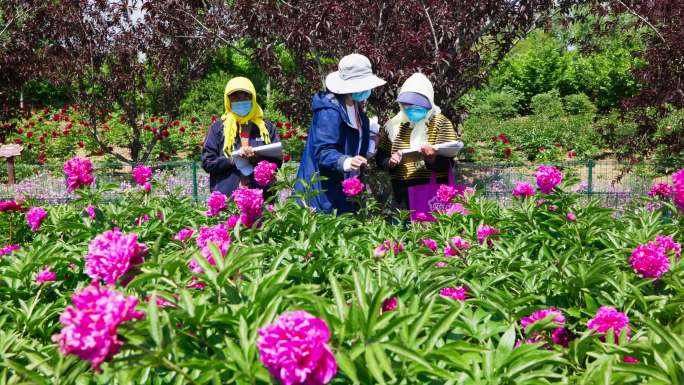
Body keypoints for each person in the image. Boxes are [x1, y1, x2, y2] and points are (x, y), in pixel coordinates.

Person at [295, 54, 386, 214]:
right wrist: (346, 161)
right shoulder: (329, 110)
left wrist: (372, 143)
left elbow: (357, 149)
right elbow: (323, 151)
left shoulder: (359, 112)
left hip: (345, 188)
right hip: (323, 190)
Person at [375, 73, 459, 210]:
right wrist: (389, 162)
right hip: (401, 195)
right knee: (400, 230)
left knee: (430, 231)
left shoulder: (440, 123)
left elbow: (448, 163)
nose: (412, 108)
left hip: (433, 193)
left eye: (417, 105)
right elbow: (381, 156)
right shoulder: (395, 124)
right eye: (408, 105)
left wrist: (431, 158)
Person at [201, 77, 281, 196]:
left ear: (253, 98)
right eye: (235, 96)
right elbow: (208, 163)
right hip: (227, 200)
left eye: (245, 96)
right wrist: (233, 159)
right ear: (227, 100)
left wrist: (256, 159)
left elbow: (277, 162)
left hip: (261, 197)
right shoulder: (217, 129)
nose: (241, 100)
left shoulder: (265, 128)